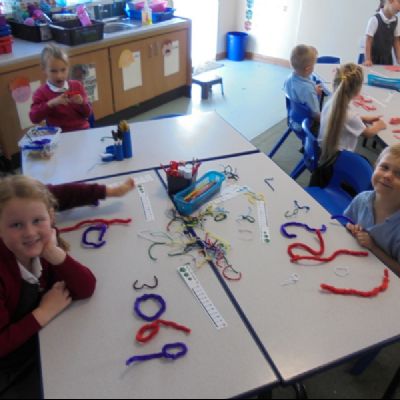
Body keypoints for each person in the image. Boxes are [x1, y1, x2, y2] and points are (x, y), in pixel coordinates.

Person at [0, 175, 134, 398]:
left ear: (51, 216)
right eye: (16, 225)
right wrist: (43, 313)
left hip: (34, 341)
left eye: (37, 221)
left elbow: (86, 287)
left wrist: (56, 255)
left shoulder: (44, 246)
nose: (30, 233)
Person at [344, 144, 400, 276]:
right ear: (375, 166)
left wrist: (373, 247)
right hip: (350, 265)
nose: (387, 176)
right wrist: (351, 228)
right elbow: (345, 222)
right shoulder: (362, 199)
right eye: (384, 167)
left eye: (399, 174)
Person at [318, 63, 386, 165]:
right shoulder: (350, 115)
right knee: (368, 165)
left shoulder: (331, 102)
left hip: (323, 150)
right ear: (358, 90)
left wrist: (363, 118)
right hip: (338, 160)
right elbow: (368, 133)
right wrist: (379, 126)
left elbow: (343, 119)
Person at [29, 44, 92, 132]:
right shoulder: (41, 93)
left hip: (82, 131)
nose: (59, 76)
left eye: (63, 70)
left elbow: (88, 113)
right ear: (44, 69)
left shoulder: (77, 85)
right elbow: (34, 118)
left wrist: (82, 103)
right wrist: (51, 104)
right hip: (60, 135)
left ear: (68, 68)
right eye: (53, 71)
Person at [283, 44, 323, 127]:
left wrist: (313, 90)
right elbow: (316, 115)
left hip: (292, 118)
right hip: (305, 125)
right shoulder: (308, 90)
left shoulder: (288, 79)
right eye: (314, 65)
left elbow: (299, 92)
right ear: (308, 69)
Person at [364, 0, 400, 66]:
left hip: (387, 59)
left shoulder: (395, 21)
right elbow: (368, 40)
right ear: (390, 1)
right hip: (373, 59)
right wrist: (368, 59)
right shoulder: (375, 19)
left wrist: (398, 58)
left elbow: (396, 41)